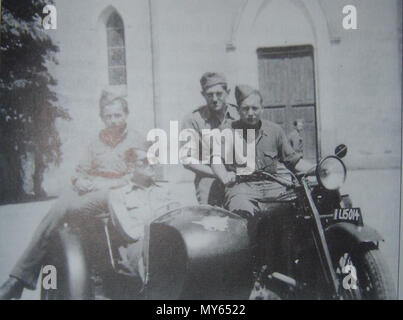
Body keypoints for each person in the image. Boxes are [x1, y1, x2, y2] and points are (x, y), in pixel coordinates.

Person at [0, 91, 154, 300]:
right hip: (92, 193)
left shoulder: (138, 140)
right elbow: (79, 172)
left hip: (117, 195)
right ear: (102, 118)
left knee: (64, 210)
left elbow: (138, 176)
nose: (113, 120)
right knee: (60, 210)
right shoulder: (95, 142)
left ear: (126, 115)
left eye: (117, 115)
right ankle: (26, 281)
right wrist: (82, 182)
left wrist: (105, 183)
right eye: (108, 116)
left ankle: (17, 280)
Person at [210, 85, 313, 266]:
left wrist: (320, 170)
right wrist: (224, 175)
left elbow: (294, 161)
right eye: (245, 108)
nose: (250, 113)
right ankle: (248, 268)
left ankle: (290, 262)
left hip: (274, 185)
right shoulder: (227, 131)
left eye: (255, 108)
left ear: (262, 109)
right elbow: (216, 160)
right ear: (238, 109)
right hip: (242, 187)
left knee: (297, 215)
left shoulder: (275, 130)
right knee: (243, 217)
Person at [180, 72, 239, 207]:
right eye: (209, 94)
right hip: (209, 176)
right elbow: (187, 160)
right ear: (203, 95)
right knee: (210, 217)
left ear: (227, 92)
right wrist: (219, 174)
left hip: (239, 174)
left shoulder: (239, 115)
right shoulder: (193, 120)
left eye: (219, 94)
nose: (214, 99)